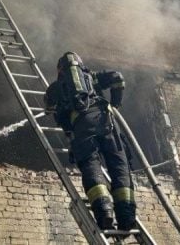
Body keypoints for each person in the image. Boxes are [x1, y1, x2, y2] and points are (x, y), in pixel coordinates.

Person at [44, 51, 136, 231]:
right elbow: (118, 78)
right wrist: (115, 104)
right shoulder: (93, 77)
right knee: (119, 165)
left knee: (90, 165)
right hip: (106, 121)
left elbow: (50, 108)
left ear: (60, 69)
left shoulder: (55, 87)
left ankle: (104, 212)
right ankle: (127, 216)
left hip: (82, 126)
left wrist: (60, 113)